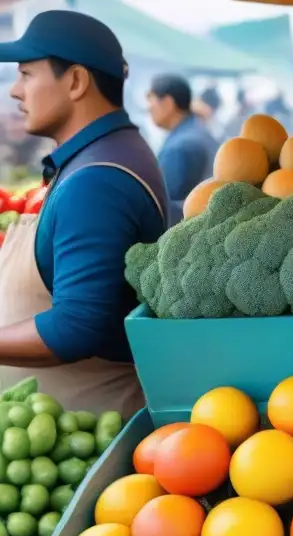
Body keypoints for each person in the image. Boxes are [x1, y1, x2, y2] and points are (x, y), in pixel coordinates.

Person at [0, 10, 168, 414]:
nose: (15, 91)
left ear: (75, 81)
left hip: (86, 435)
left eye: (26, 74)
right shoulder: (102, 155)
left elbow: (76, 327)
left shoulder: (97, 180)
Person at [147, 74, 216, 217]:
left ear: (167, 103)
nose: (148, 108)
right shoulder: (196, 131)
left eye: (151, 100)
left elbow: (162, 206)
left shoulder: (180, 147)